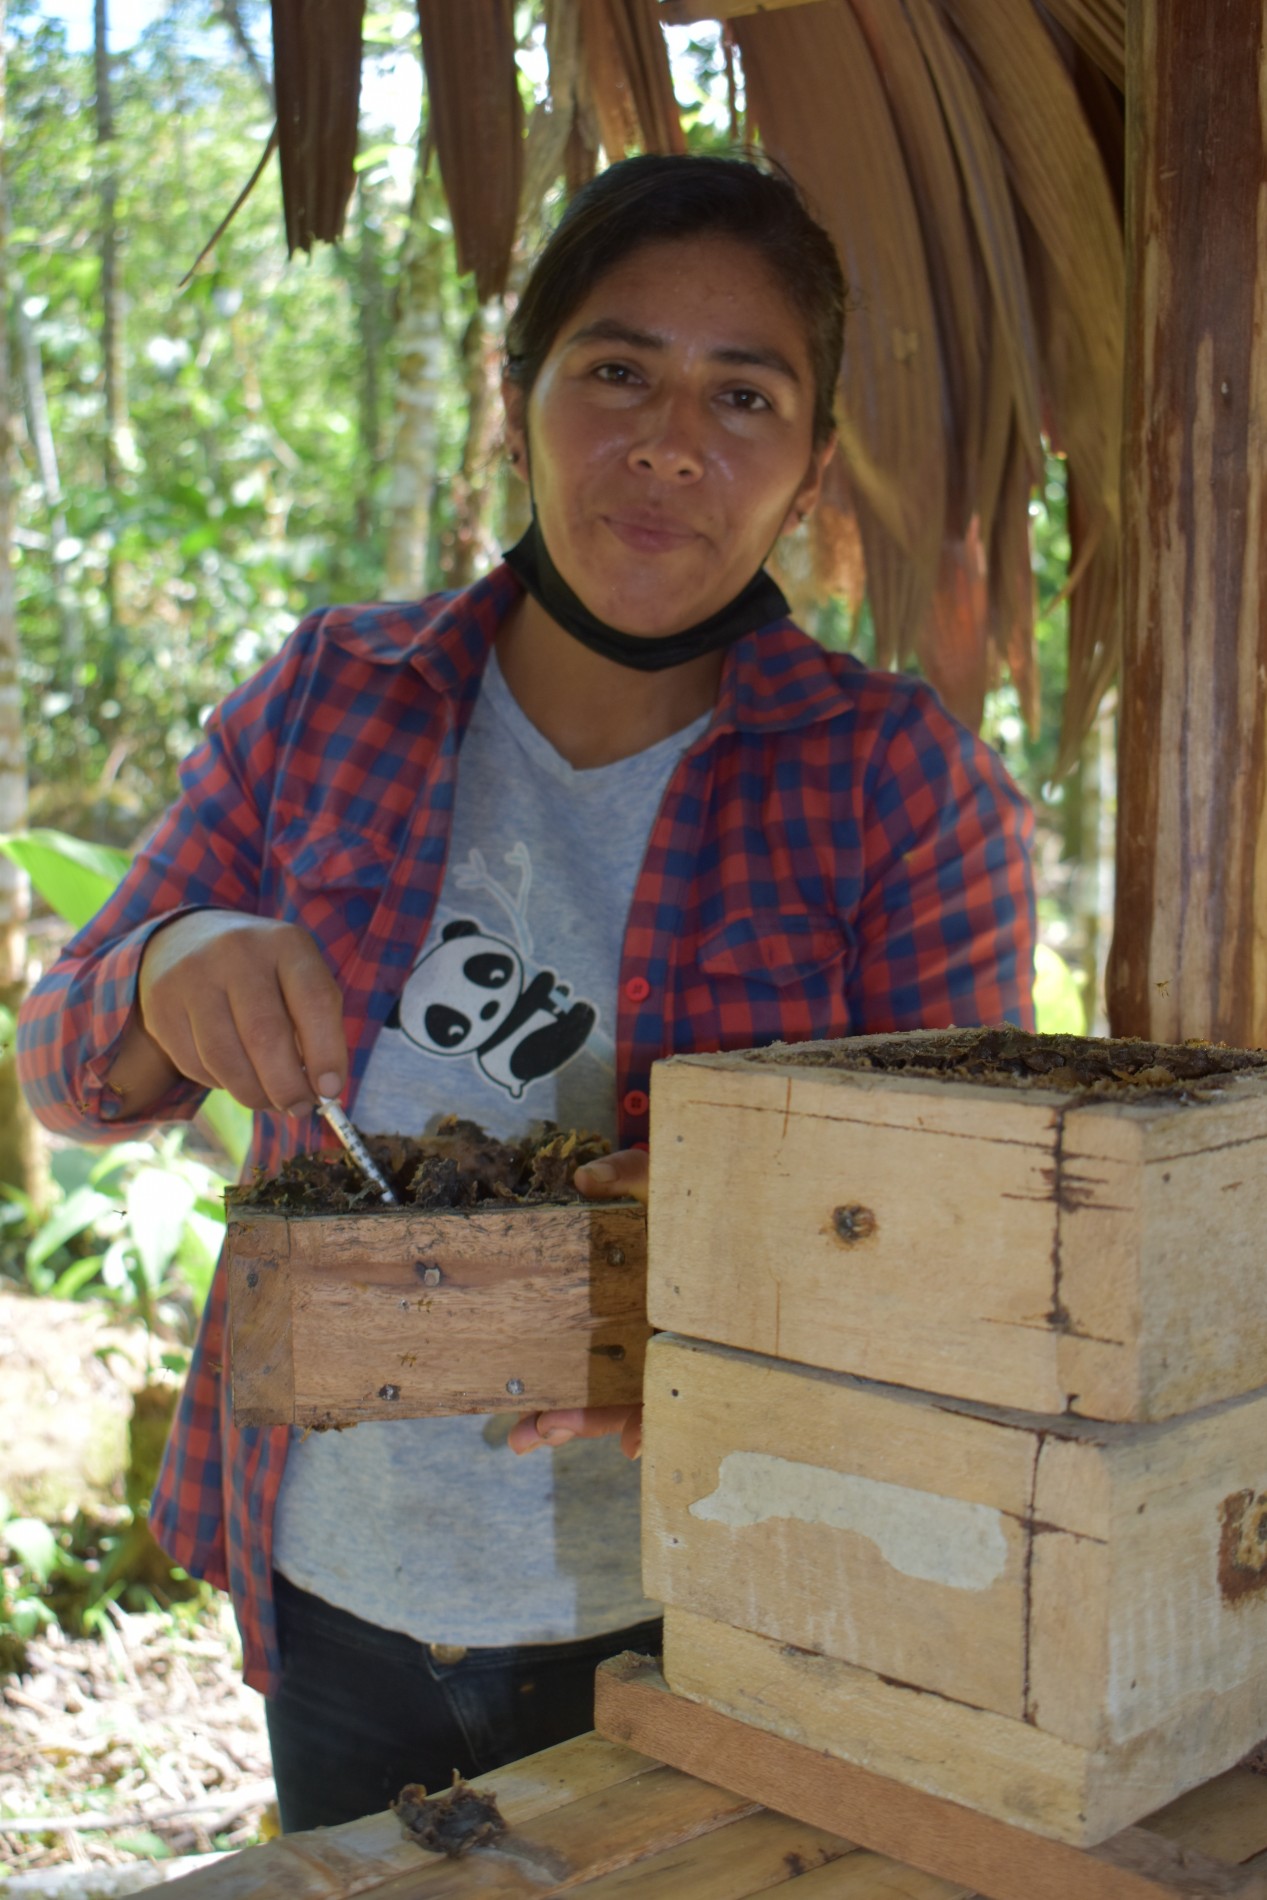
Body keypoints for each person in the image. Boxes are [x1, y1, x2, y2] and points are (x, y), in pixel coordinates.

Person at [17, 152, 1035, 1831]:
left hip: (704, 1617)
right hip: (337, 1595)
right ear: (518, 404)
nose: (670, 442)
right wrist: (166, 968)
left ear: (811, 471)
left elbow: (985, 1243)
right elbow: (65, 1069)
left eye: (744, 396)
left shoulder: (894, 787)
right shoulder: (332, 699)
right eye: (617, 369)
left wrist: (742, 1262)